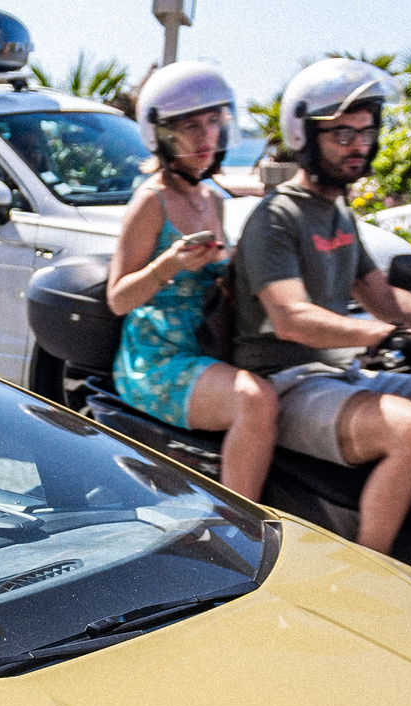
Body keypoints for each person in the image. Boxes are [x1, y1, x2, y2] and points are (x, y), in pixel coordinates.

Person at [231, 59, 411, 551]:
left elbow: (382, 298)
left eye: (365, 131)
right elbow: (291, 319)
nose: (359, 145)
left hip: (340, 374)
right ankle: (374, 566)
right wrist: (378, 334)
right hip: (286, 382)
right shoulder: (276, 218)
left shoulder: (338, 213)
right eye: (342, 134)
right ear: (306, 138)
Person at [105, 61, 275, 503]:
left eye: (213, 123)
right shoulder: (151, 202)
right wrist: (170, 265)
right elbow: (119, 298)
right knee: (254, 400)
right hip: (158, 359)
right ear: (162, 135)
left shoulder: (211, 199)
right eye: (189, 127)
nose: (206, 138)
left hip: (208, 346)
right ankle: (242, 526)